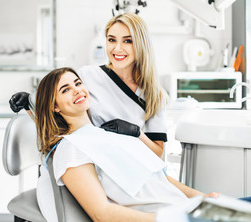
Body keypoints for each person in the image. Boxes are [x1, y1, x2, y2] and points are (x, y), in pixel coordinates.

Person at [34, 67, 251, 222]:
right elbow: (103, 215)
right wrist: (179, 221)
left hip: (196, 212)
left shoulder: (104, 135)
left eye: (78, 83)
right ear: (54, 106)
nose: (77, 90)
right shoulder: (71, 147)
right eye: (65, 89)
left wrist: (205, 199)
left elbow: (161, 178)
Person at [10, 13, 167, 158]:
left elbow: (158, 153)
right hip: (91, 163)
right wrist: (29, 105)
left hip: (130, 166)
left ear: (141, 44)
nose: (117, 48)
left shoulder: (154, 94)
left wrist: (136, 133)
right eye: (111, 40)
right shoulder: (87, 76)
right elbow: (55, 123)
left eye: (127, 41)